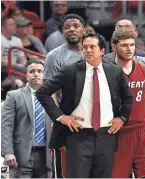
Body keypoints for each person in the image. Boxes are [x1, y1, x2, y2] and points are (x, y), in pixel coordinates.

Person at [36, 32, 133, 178]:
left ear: (102, 51)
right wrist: (61, 117)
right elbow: (42, 92)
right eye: (85, 47)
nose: (87, 50)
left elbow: (128, 97)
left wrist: (122, 118)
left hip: (106, 135)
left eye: (92, 47)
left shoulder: (114, 71)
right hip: (78, 135)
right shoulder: (70, 70)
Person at [109, 28, 145, 178]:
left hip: (142, 133)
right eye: (124, 45)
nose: (129, 49)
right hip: (117, 134)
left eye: (132, 45)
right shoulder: (107, 71)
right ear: (114, 46)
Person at [43, 13, 86, 178]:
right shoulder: (54, 56)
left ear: (84, 29)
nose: (72, 30)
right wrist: (59, 118)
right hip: (66, 119)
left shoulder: (94, 52)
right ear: (62, 32)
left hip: (91, 119)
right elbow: (49, 92)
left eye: (76, 26)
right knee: (64, 170)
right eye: (67, 27)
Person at [1, 59, 52, 178]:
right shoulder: (14, 96)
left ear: (44, 75)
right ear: (26, 75)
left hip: (45, 155)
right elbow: (6, 125)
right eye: (32, 71)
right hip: (20, 155)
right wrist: (8, 152)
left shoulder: (52, 96)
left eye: (39, 71)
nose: (36, 74)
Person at [1, 15, 26, 81]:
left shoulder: (18, 40)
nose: (15, 26)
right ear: (3, 28)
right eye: (11, 25)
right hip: (3, 69)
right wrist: (16, 65)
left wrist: (26, 66)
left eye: (15, 24)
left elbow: (22, 59)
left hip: (15, 69)